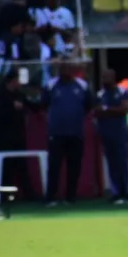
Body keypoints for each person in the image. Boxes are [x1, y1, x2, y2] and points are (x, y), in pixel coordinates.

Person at [42, 62, 94, 206]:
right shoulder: (51, 85)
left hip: (76, 133)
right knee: (54, 166)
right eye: (62, 69)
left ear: (73, 70)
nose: (65, 71)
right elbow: (43, 104)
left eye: (67, 68)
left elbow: (89, 106)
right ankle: (51, 197)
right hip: (56, 133)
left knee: (74, 166)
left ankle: (70, 197)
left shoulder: (82, 85)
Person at [0, 71, 35, 200]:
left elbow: (31, 106)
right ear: (12, 81)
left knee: (22, 165)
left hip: (18, 134)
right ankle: (3, 196)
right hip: (3, 136)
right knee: (6, 167)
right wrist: (11, 107)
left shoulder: (19, 95)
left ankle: (28, 194)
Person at [94, 69, 128, 204]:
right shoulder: (99, 94)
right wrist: (112, 110)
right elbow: (97, 112)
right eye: (103, 77)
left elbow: (124, 110)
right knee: (111, 163)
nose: (104, 79)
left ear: (114, 77)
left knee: (123, 162)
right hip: (106, 133)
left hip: (120, 133)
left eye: (107, 77)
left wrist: (106, 109)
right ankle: (116, 193)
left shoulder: (123, 92)